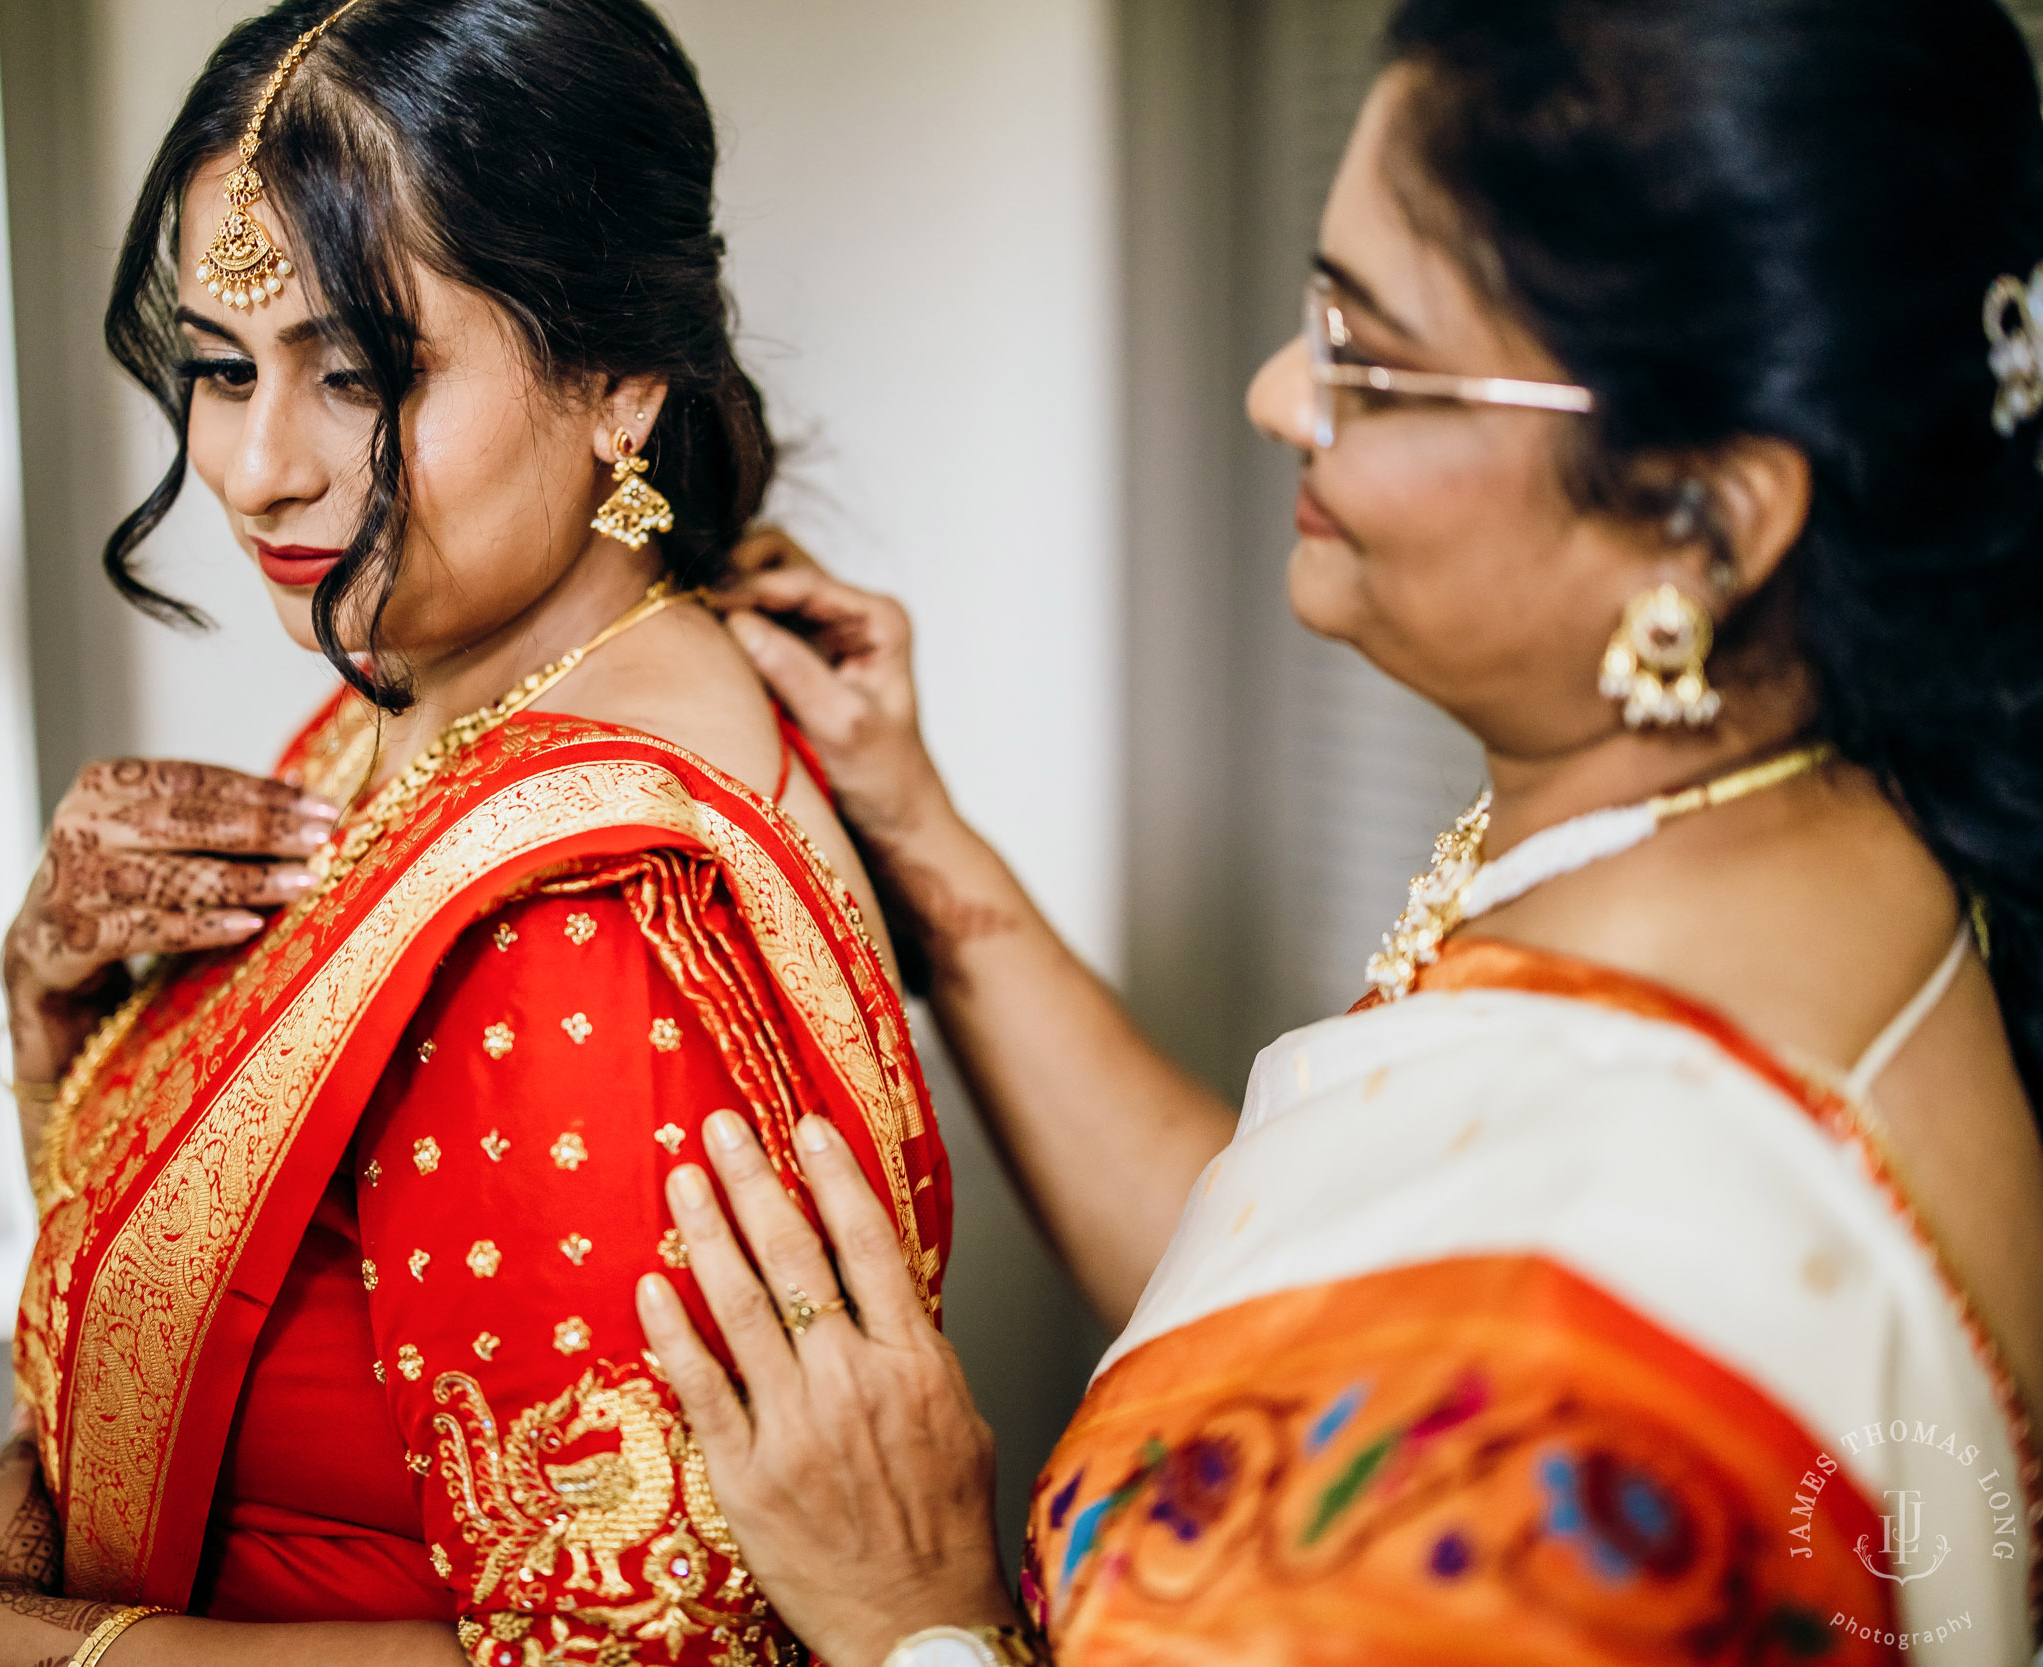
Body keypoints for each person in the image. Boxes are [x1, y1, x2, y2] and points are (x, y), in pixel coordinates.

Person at [642, 1, 2043, 1664]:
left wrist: (910, 1612)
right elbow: (1296, 1293)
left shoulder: (1588, 1389)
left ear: (1702, 520)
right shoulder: (1786, 825)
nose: (1276, 394)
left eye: (1368, 359)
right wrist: (922, 836)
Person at [0, 4, 951, 1664]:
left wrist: (61, 1649)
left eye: (359, 374)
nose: (256, 469)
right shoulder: (419, 691)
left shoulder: (582, 925)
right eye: (221, 369)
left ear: (619, 384)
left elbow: (641, 1652)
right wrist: (58, 1021)